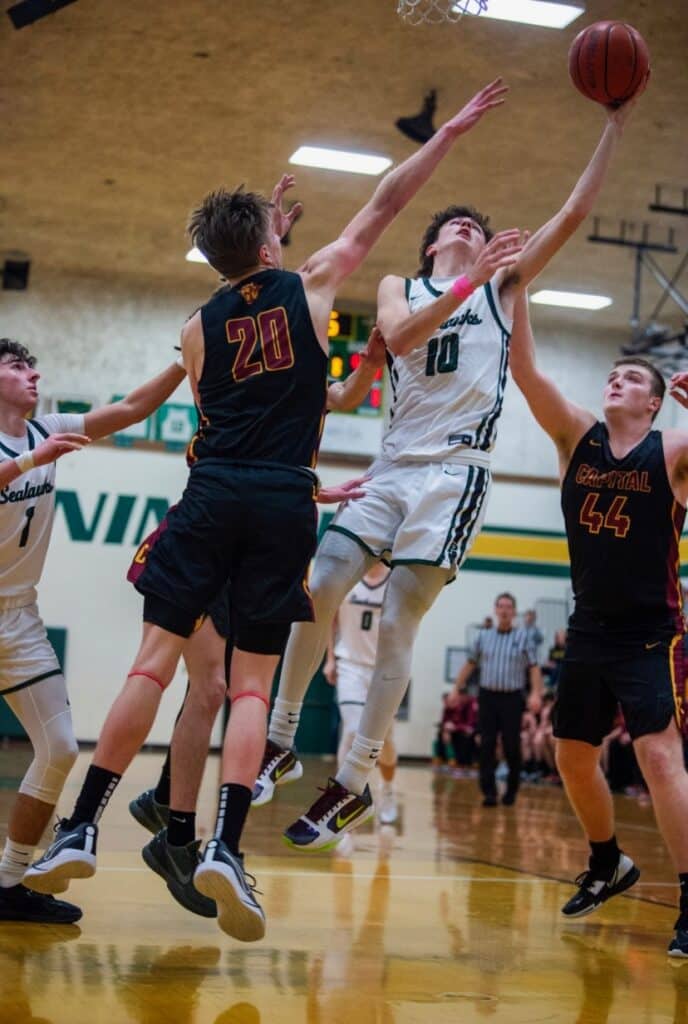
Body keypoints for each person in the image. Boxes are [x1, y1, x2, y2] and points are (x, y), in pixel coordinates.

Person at [25, 79, 516, 941]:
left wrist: (263, 243)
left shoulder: (194, 326)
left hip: (211, 491)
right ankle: (222, 845)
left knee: (151, 669)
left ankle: (81, 825)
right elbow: (386, 197)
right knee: (250, 687)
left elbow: (227, 390)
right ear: (270, 241)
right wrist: (452, 133)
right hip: (282, 496)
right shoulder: (315, 284)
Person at [253, 86, 642, 853]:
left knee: (400, 616)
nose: (467, 225)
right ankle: (280, 736)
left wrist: (616, 125)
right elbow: (396, 338)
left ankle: (355, 780)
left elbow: (570, 215)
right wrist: (466, 281)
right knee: (320, 583)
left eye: (477, 225)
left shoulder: (504, 289)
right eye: (453, 224)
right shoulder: (407, 285)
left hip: (456, 474)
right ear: (433, 247)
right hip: (392, 465)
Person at [127, 335, 388, 918]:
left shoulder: (295, 386)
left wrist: (370, 363)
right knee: (203, 684)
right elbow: (239, 457)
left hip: (242, 541)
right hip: (206, 536)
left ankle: (169, 819)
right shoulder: (233, 361)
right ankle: (160, 819)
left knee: (213, 686)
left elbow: (338, 398)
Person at [507, 287, 688, 957]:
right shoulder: (576, 437)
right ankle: (607, 859)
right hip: (588, 629)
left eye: (635, 377)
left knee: (659, 756)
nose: (619, 378)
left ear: (654, 401)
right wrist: (518, 287)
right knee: (572, 757)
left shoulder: (672, 450)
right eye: (614, 373)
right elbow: (526, 371)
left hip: (652, 631)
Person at [0, 338, 186, 924]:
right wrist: (34, 460)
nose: (34, 373)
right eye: (17, 366)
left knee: (58, 748)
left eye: (33, 364)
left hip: (18, 617)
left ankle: (8, 882)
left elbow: (132, 409)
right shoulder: (36, 447)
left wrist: (184, 360)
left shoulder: (45, 429)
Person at [315, 561, 399, 827]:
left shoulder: (396, 581)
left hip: (383, 669)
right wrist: (330, 658)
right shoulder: (349, 576)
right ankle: (345, 800)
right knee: (352, 730)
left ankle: (387, 788)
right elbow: (332, 618)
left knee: (383, 741)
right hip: (349, 664)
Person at [453, 592, 542, 806]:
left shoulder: (523, 637)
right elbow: (470, 663)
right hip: (488, 697)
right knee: (487, 744)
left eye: (508, 607)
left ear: (513, 612)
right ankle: (489, 792)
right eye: (500, 606)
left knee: (512, 745)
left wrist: (536, 693)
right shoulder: (483, 636)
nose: (504, 610)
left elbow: (534, 667)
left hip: (512, 698)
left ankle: (511, 790)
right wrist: (457, 688)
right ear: (495, 610)